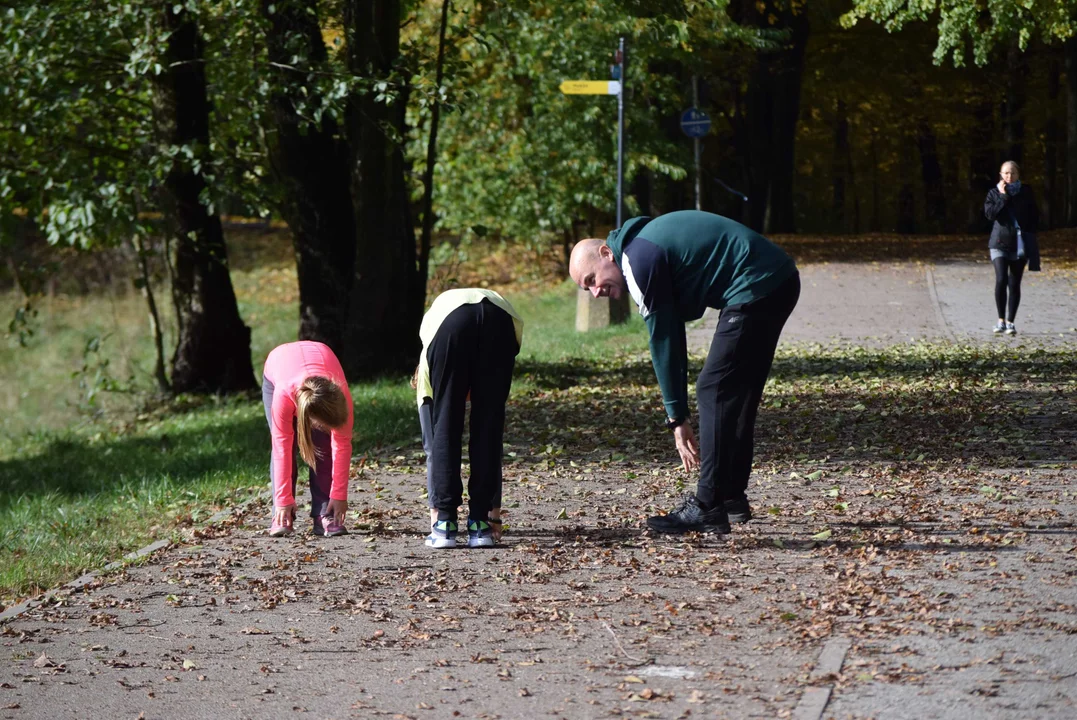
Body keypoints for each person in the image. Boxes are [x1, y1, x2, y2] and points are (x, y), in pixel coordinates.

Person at [569, 210, 799, 534]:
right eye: (586, 289)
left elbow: (662, 341)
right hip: (779, 279)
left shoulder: (638, 259)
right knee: (738, 389)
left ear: (607, 253)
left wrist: (676, 418)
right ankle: (730, 495)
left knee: (713, 388)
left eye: (592, 279)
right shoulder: (646, 244)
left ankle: (707, 506)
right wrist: (676, 414)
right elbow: (673, 332)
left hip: (756, 284)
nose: (595, 292)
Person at [414, 288, 523, 549]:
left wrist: (436, 509)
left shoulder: (428, 364)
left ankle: (445, 526)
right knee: (489, 427)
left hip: (451, 325)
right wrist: (494, 514)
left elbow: (433, 436)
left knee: (446, 425)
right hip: (501, 320)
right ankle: (479, 526)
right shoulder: (495, 308)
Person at [262, 341, 353, 537]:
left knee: (323, 446)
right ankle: (282, 512)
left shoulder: (339, 393)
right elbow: (281, 447)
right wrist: (283, 499)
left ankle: (324, 514)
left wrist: (339, 495)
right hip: (279, 367)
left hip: (318, 358)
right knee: (286, 448)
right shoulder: (284, 395)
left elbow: (342, 444)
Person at [984, 160, 1040, 336]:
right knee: (1001, 279)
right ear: (1001, 175)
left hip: (1019, 243)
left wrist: (1029, 235)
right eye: (1006, 173)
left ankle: (1011, 322)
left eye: (1013, 173)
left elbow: (1034, 215)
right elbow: (991, 215)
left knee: (1014, 283)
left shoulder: (1025, 192)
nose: (1009, 176)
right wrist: (1003, 195)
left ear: (1018, 174)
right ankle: (1000, 320)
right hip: (999, 243)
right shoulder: (993, 193)